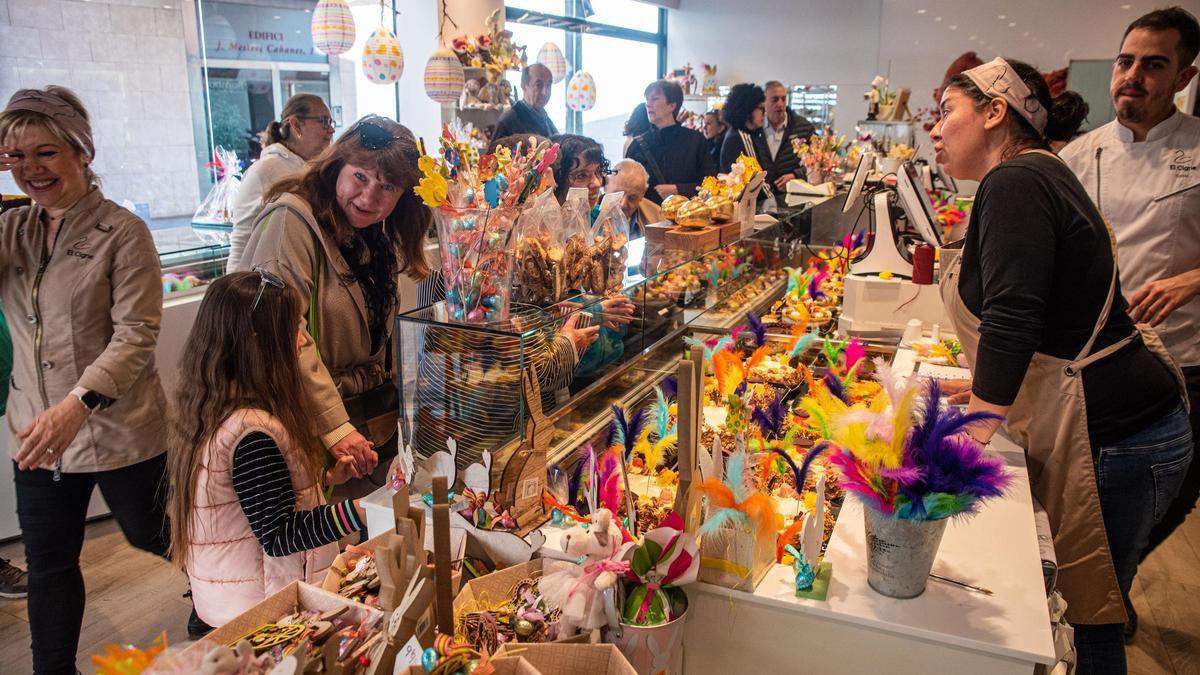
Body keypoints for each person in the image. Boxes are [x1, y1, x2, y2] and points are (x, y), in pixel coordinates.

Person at [931, 58, 1192, 674]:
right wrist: (976, 388)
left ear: (996, 113)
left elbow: (1016, 314)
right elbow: (1053, 322)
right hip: (1123, 425)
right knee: (1088, 605)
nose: (934, 130)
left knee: (1088, 613)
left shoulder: (1014, 181)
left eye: (947, 112)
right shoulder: (1040, 171)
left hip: (1117, 437)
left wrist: (973, 432)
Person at [0, 86, 170, 674]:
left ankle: (220, 601)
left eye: (45, 153)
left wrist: (78, 403)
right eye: (16, 157)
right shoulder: (11, 231)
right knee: (48, 564)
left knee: (159, 535)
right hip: (38, 439)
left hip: (122, 431)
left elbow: (136, 333)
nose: (31, 170)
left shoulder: (123, 233)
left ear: (80, 152)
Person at [1059, 8, 1200, 596]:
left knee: (1176, 489)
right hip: (1094, 360)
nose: (1133, 75)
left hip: (1184, 356)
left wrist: (1192, 277)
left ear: (1184, 77)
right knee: (1092, 492)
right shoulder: (1077, 156)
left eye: (1153, 64)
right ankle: (1099, 594)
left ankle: (1117, 580)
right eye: (1126, 61)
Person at [240, 115, 431, 497]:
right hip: (310, 429)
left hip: (368, 423)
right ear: (337, 164)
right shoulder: (290, 221)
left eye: (387, 186)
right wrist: (335, 425)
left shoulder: (373, 234)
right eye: (360, 177)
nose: (369, 197)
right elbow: (282, 336)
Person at [168, 272, 365, 633]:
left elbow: (250, 498)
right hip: (258, 618)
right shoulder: (252, 432)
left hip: (226, 606)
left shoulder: (212, 408)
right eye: (293, 329)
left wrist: (324, 478)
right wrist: (361, 512)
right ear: (260, 344)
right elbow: (279, 534)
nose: (303, 339)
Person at [227, 94, 334, 272]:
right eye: (324, 121)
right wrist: (233, 294)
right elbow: (241, 240)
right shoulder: (264, 170)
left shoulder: (315, 170)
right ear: (296, 125)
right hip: (269, 281)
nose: (331, 130)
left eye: (331, 123)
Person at [624, 80, 714, 205]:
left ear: (672, 105)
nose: (648, 104)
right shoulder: (637, 145)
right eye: (647, 99)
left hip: (689, 217)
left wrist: (678, 189)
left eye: (655, 99)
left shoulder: (695, 141)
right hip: (648, 219)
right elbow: (627, 187)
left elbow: (710, 184)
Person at [762, 81, 816, 191]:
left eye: (783, 99)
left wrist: (796, 175)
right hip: (762, 198)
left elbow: (817, 163)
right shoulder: (756, 128)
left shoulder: (804, 128)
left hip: (794, 198)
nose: (780, 104)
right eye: (775, 99)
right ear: (764, 102)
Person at [492, 63, 558, 140]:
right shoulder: (508, 122)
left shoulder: (546, 120)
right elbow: (494, 151)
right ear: (524, 86)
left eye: (548, 85)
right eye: (538, 85)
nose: (545, 92)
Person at [719, 83, 770, 174]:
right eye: (761, 108)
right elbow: (757, 178)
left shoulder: (738, 133)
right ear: (748, 109)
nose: (764, 113)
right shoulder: (741, 137)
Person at [606, 158, 657, 238]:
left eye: (632, 198)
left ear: (642, 195)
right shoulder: (586, 217)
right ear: (606, 185)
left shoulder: (656, 219)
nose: (623, 204)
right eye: (618, 194)